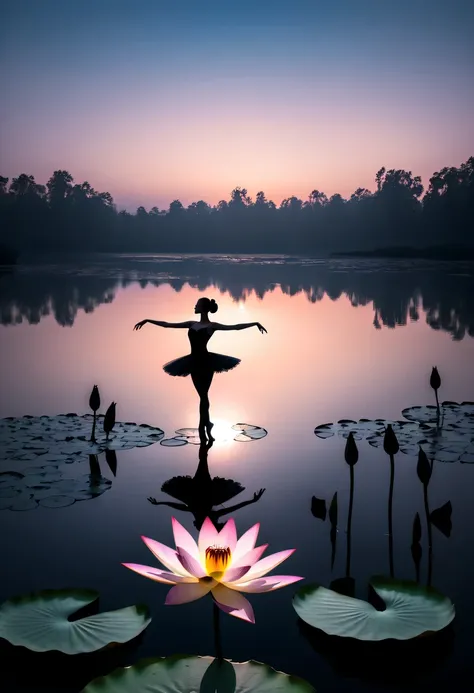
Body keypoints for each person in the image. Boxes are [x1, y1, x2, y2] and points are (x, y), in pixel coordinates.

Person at [134, 297, 267, 438]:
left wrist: (254, 323)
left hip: (207, 362)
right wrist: (148, 320)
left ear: (203, 308)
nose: (194, 307)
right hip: (193, 362)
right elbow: (167, 325)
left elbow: (234, 327)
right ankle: (207, 424)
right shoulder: (191, 324)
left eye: (196, 305)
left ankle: (202, 427)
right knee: (202, 395)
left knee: (203, 395)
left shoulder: (212, 326)